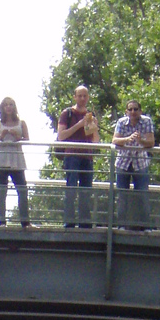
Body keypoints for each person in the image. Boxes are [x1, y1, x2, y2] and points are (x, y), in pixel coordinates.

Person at [56, 87, 100, 229]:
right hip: (72, 155)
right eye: (79, 95)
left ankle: (85, 223)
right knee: (71, 189)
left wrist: (94, 126)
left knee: (86, 191)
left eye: (84, 96)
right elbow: (61, 135)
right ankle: (69, 222)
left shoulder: (90, 115)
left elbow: (95, 141)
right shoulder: (67, 113)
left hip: (87, 157)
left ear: (88, 97)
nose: (82, 98)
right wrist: (79, 125)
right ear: (75, 97)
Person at [112, 99, 155, 230]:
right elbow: (115, 140)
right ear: (126, 111)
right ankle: (121, 225)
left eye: (135, 109)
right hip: (123, 162)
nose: (133, 112)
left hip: (140, 162)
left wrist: (140, 140)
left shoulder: (146, 121)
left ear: (140, 111)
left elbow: (151, 142)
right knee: (122, 195)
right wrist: (127, 139)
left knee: (142, 195)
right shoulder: (121, 122)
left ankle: (144, 225)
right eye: (130, 109)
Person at [0, 97, 30, 227]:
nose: (8, 107)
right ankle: (2, 222)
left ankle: (25, 221)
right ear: (2, 108)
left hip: (16, 160)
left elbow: (27, 139)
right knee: (2, 191)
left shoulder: (21, 123)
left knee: (22, 189)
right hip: (1, 160)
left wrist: (18, 137)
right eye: (6, 105)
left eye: (11, 105)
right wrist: (1, 137)